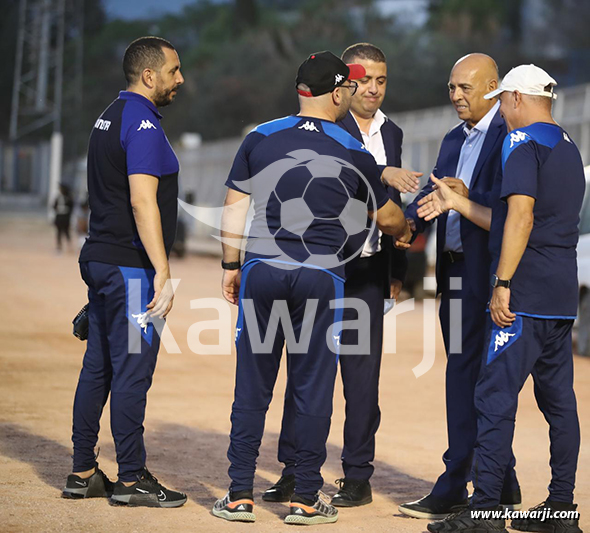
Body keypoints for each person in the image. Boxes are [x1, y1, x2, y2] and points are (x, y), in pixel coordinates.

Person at [212, 51, 411, 526]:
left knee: (252, 387)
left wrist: (230, 266)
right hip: (322, 278)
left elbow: (234, 206)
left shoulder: (258, 136)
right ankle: (304, 497)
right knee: (312, 387)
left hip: (262, 270)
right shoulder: (351, 148)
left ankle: (239, 495)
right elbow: (387, 218)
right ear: (339, 92)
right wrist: (402, 229)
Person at [426, 64, 585, 533]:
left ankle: (486, 512)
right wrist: (460, 202)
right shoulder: (569, 145)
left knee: (493, 400)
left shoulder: (520, 142)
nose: (500, 110)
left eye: (502, 101)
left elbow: (520, 216)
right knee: (560, 405)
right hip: (561, 296)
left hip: (524, 296)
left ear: (516, 97)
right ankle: (560, 510)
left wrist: (502, 282)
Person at [263, 42, 421, 508]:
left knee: (361, 379)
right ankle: (294, 470)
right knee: (306, 374)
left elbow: (395, 212)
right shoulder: (326, 127)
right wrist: (380, 173)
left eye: (381, 80)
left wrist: (397, 268)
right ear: (344, 84)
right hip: (322, 267)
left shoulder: (393, 131)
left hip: (370, 273)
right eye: (363, 79)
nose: (372, 88)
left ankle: (357, 476)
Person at [61, 36, 187, 508]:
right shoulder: (143, 123)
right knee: (133, 373)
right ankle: (131, 479)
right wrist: (161, 269)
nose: (180, 79)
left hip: (100, 258)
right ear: (149, 76)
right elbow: (141, 199)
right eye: (173, 71)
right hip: (129, 266)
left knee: (99, 366)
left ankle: (83, 472)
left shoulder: (108, 115)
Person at [395, 53, 521, 520]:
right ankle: (501, 479)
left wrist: (468, 197)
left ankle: (455, 482)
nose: (455, 96)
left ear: (493, 86)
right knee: (470, 375)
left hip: (485, 270)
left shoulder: (510, 136)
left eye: (465, 87)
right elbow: (436, 195)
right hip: (451, 269)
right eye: (451, 87)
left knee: (470, 377)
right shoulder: (452, 138)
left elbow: (511, 207)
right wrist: (406, 224)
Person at [53, 183, 74, 253]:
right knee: (59, 232)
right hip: (59, 217)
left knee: (66, 232)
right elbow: (54, 206)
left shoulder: (69, 198)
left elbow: (72, 207)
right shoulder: (58, 198)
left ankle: (69, 246)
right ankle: (59, 247)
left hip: (65, 217)